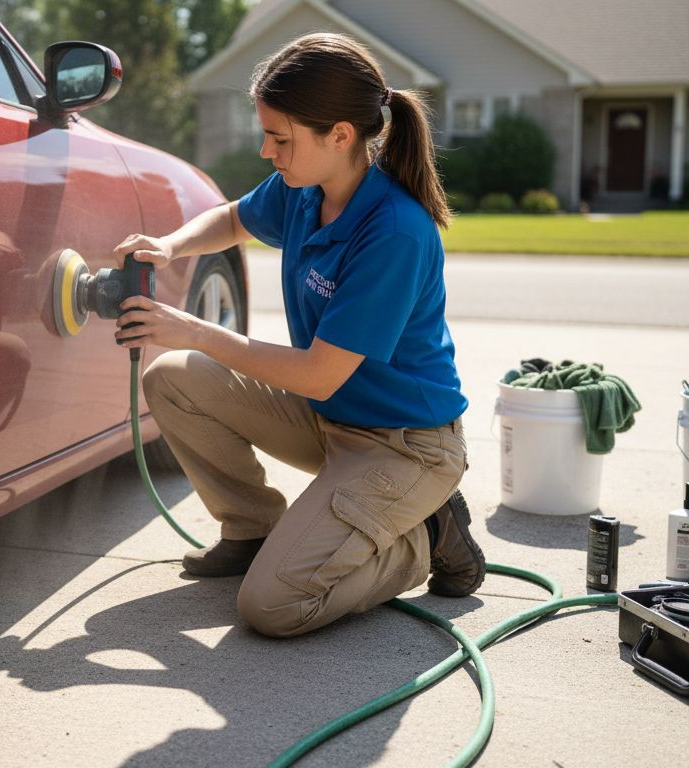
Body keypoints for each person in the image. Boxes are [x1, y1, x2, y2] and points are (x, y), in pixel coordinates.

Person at [113, 33, 483, 638]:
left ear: (340, 135)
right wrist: (172, 244)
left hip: (404, 445)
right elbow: (234, 217)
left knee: (273, 607)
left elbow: (318, 371)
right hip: (329, 419)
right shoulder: (303, 191)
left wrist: (196, 331)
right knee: (173, 379)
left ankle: (422, 534)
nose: (266, 151)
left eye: (280, 138)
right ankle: (250, 527)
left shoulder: (394, 231)